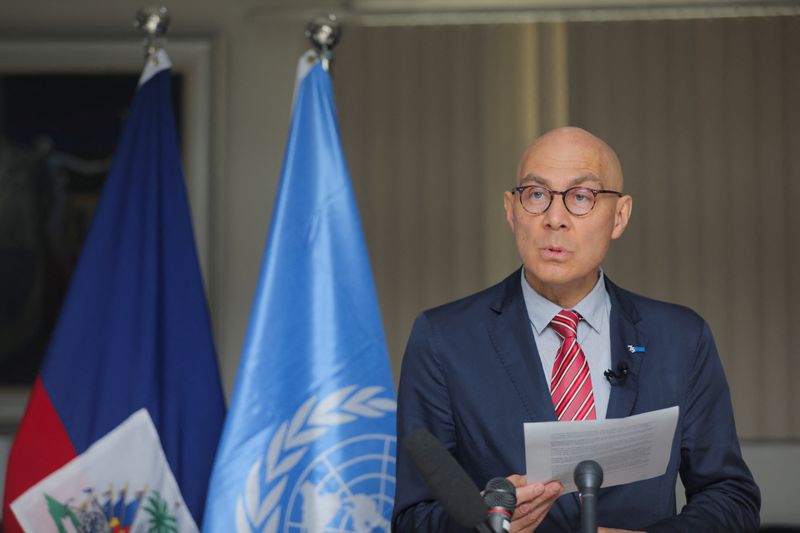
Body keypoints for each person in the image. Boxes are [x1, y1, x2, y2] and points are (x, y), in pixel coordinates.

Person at [391, 127, 760, 532]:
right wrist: (485, 522)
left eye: (581, 198)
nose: (554, 219)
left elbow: (732, 498)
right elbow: (412, 517)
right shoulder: (444, 339)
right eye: (536, 195)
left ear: (620, 216)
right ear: (510, 210)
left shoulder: (679, 338)